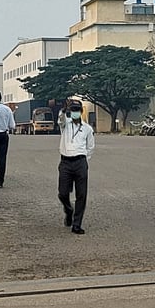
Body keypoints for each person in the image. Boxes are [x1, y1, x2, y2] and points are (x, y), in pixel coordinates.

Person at [57, 99, 95, 234]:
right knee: (62, 193)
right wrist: (63, 110)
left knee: (81, 194)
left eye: (77, 110)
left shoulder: (87, 129)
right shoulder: (65, 125)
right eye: (72, 110)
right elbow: (61, 119)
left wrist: (83, 160)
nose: (75, 112)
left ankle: (77, 224)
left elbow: (90, 147)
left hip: (80, 162)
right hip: (65, 162)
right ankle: (68, 209)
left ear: (81, 111)